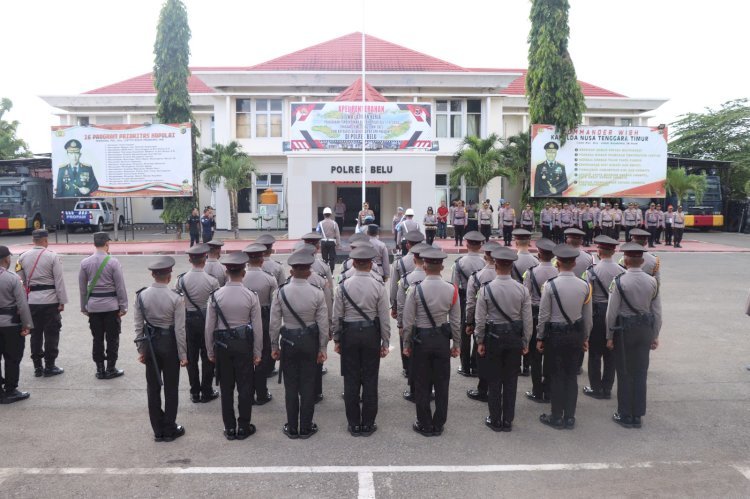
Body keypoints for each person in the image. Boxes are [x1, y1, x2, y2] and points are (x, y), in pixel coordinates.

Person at [270, 250, 329, 440]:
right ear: (309, 271)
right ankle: (305, 426)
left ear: (291, 271)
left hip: (288, 340)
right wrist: (322, 348)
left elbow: (274, 323)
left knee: (291, 385)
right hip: (310, 340)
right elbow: (323, 324)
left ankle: (292, 426)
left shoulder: (280, 292)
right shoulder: (317, 293)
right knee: (308, 383)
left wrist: (274, 347)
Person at [332, 244, 390, 437]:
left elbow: (337, 316)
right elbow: (384, 317)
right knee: (370, 379)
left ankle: (354, 423)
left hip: (349, 333)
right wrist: (385, 342)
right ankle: (368, 423)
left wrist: (337, 339)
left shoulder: (343, 285)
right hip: (370, 333)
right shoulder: (378, 285)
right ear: (371, 263)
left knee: (351, 379)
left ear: (353, 263)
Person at [402, 247, 461, 437]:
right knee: (442, 383)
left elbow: (408, 321)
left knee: (422, 383)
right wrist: (457, 344)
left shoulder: (415, 289)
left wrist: (406, 344)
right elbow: (456, 321)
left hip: (422, 339)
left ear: (425, 267)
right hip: (442, 339)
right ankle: (438, 423)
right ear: (442, 267)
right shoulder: (451, 289)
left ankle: (424, 422)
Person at [205, 252, 263, 440]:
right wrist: (258, 352)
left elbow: (209, 328)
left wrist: (210, 351)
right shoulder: (251, 296)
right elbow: (257, 328)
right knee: (245, 386)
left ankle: (230, 427)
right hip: (243, 344)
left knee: (226, 387)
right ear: (243, 272)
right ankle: (244, 426)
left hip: (222, 346)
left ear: (227, 272)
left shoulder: (215, 296)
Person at [474, 246, 533, 432]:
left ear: (496, 264)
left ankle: (495, 418)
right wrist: (526, 341)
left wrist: (480, 341)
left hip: (493, 337)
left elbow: (479, 320)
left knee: (494, 379)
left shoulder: (486, 290)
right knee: (510, 380)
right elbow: (527, 320)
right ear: (511, 266)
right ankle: (508, 419)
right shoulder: (522, 290)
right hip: (514, 338)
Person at [537, 244, 593, 430]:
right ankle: (570, 417)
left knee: (557, 375)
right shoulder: (585, 285)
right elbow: (587, 317)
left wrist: (540, 337)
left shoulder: (550, 285)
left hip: (556, 335)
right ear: (575, 262)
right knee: (571, 376)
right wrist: (585, 338)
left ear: (557, 262)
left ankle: (556, 416)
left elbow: (544, 315)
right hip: (576, 334)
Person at [607, 242, 662, 429]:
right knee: (640, 372)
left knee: (624, 371)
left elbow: (611, 312)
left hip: (625, 330)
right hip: (645, 329)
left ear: (626, 260)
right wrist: (655, 335)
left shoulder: (619, 281)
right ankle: (637, 415)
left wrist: (608, 336)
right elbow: (657, 311)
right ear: (642, 260)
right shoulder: (652, 281)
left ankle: (625, 413)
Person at [134, 256, 188, 442]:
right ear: (169, 275)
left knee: (153, 387)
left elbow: (138, 326)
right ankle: (169, 427)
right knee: (171, 388)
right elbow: (180, 329)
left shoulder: (142, 295)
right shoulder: (176, 297)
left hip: (150, 343)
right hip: (170, 343)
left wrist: (141, 350)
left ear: (153, 274)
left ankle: (157, 429)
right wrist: (183, 354)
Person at [16, 229, 67, 378]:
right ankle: (50, 366)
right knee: (52, 333)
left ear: (33, 240)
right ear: (45, 240)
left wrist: (23, 303)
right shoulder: (52, 256)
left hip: (32, 301)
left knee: (35, 334)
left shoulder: (22, 257)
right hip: (50, 300)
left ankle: (37, 367)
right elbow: (59, 281)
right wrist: (61, 301)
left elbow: (21, 283)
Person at [79, 232, 128, 380]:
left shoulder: (85, 263)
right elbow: (120, 287)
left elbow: (82, 289)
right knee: (112, 338)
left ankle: (100, 369)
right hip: (111, 307)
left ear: (94, 244)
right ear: (107, 244)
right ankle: (111, 368)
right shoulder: (113, 262)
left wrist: (84, 307)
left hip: (94, 306)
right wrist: (123, 306)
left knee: (97, 338)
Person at [175, 244, 220, 403]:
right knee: (208, 355)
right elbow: (216, 305)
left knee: (191, 358)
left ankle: (194, 391)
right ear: (205, 259)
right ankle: (206, 390)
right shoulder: (212, 281)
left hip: (187, 321)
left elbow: (178, 303)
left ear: (189, 260)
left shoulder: (181, 280)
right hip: (207, 320)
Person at [582, 235, 624, 400]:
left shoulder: (591, 272)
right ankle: (607, 387)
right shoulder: (622, 271)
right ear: (614, 251)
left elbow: (586, 298)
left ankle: (596, 387)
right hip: (616, 316)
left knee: (595, 353)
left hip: (597, 314)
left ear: (599, 251)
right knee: (611, 353)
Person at [464, 240, 501, 403]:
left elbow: (471, 304)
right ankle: (496, 390)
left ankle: (483, 389)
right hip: (504, 323)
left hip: (484, 322)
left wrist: (469, 322)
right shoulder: (506, 274)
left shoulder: (477, 276)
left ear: (485, 255)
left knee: (483, 356)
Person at [523, 238, 558, 403]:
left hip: (535, 313)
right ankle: (550, 389)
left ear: (539, 254)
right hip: (553, 316)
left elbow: (525, 297)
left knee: (535, 357)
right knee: (551, 355)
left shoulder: (531, 273)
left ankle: (537, 389)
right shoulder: (558, 272)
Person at [242, 243, 278, 405]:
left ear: (248, 260)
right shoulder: (269, 278)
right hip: (264, 316)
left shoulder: (239, 276)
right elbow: (275, 305)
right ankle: (261, 392)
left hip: (244, 318)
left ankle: (248, 392)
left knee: (247, 356)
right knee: (262, 355)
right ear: (262, 260)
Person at [396, 242, 430, 401]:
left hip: (414, 326)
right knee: (430, 363)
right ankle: (429, 391)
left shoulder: (406, 279)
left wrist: (401, 325)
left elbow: (402, 305)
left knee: (414, 359)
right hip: (432, 328)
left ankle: (414, 390)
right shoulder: (435, 280)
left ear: (414, 259)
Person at [0, 245, 33, 404]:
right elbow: (22, 304)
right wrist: (26, 325)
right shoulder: (12, 278)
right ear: (6, 259)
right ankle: (11, 390)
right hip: (11, 325)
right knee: (12, 358)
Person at [452, 231, 487, 378]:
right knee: (479, 329)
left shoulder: (459, 263)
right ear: (480, 246)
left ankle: (465, 366)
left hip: (463, 297)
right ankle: (476, 364)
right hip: (480, 299)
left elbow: (454, 286)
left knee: (464, 333)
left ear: (466, 244)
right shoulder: (485, 263)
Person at [316, 207, 341, 273]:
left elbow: (317, 234)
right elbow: (337, 234)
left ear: (323, 214)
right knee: (332, 258)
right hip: (332, 242)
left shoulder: (320, 223)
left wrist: (318, 244)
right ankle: (331, 272)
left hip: (323, 242)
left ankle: (325, 272)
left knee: (324, 258)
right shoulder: (334, 223)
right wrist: (338, 244)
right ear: (330, 214)